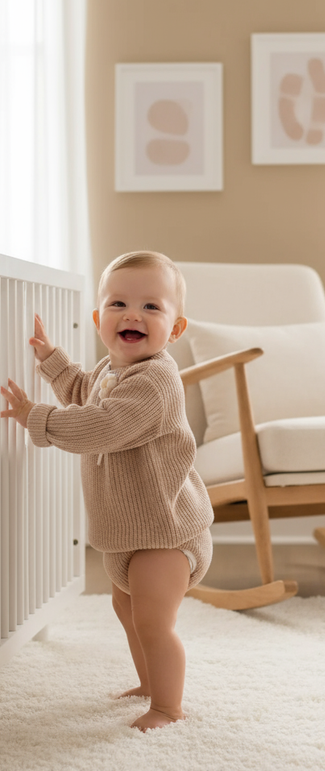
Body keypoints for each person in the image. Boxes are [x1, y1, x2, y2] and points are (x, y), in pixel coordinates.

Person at [0, 251, 214, 732]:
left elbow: (103, 424)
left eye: (152, 307)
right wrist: (52, 360)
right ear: (99, 319)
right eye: (118, 303)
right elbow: (83, 391)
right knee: (129, 610)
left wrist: (36, 417)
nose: (133, 314)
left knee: (154, 623)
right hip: (126, 531)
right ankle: (149, 683)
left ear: (175, 331)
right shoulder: (110, 371)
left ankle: (168, 707)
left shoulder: (156, 380)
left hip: (166, 531)